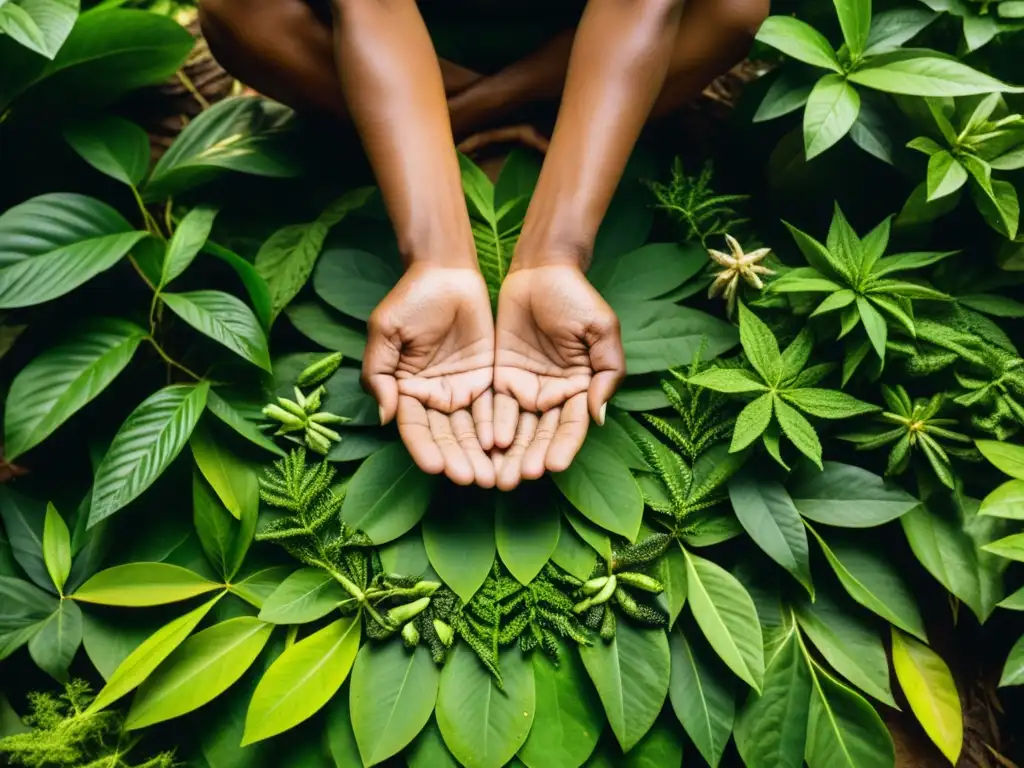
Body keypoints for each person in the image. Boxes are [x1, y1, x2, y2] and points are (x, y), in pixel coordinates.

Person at [199, 0, 770, 491]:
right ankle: (503, 128)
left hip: (571, 37)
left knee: (733, 8)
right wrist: (437, 259)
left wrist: (553, 255)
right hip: (398, 35)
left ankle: (477, 121)